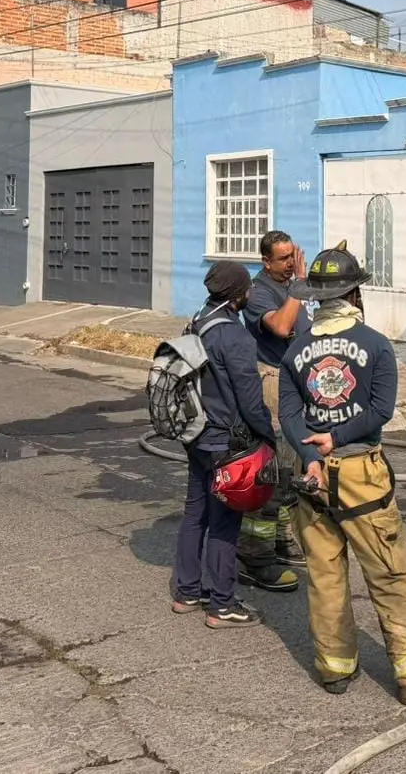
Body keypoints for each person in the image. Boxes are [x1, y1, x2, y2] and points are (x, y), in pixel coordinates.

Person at [279, 240, 406, 705]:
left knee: (324, 572)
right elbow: (381, 410)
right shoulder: (376, 345)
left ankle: (334, 668)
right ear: (355, 295)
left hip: (310, 477)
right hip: (361, 474)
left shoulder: (295, 351)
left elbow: (290, 416)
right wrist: (337, 441)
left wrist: (313, 455)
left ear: (316, 298)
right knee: (390, 573)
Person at [171, 262, 278, 629]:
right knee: (225, 520)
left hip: (195, 433)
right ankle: (222, 603)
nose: (251, 293)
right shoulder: (235, 337)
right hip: (225, 441)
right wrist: (268, 436)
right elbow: (250, 400)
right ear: (238, 295)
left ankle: (187, 591)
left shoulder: (199, 319)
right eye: (247, 288)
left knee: (194, 512)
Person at [236, 229, 311, 593]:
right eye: (282, 259)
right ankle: (255, 556)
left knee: (291, 471)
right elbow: (282, 327)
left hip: (295, 386)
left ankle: (282, 540)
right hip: (270, 384)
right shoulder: (259, 292)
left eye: (291, 256)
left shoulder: (294, 286)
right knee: (271, 472)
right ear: (266, 261)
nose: (290, 264)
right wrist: (299, 285)